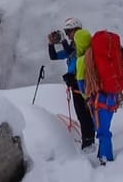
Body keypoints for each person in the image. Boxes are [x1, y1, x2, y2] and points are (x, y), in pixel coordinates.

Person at [48, 17, 95, 150]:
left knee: (84, 113)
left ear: (77, 30)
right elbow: (54, 56)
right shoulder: (72, 47)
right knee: (82, 113)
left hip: (82, 83)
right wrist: (51, 44)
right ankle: (88, 139)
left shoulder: (82, 45)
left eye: (69, 31)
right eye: (66, 32)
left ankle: (89, 141)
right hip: (75, 84)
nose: (67, 34)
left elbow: (70, 52)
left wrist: (63, 41)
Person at [75, 28, 117, 165]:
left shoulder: (82, 60)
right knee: (104, 127)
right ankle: (102, 154)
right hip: (112, 95)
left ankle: (107, 159)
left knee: (102, 131)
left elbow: (82, 85)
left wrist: (86, 98)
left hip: (99, 100)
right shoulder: (100, 55)